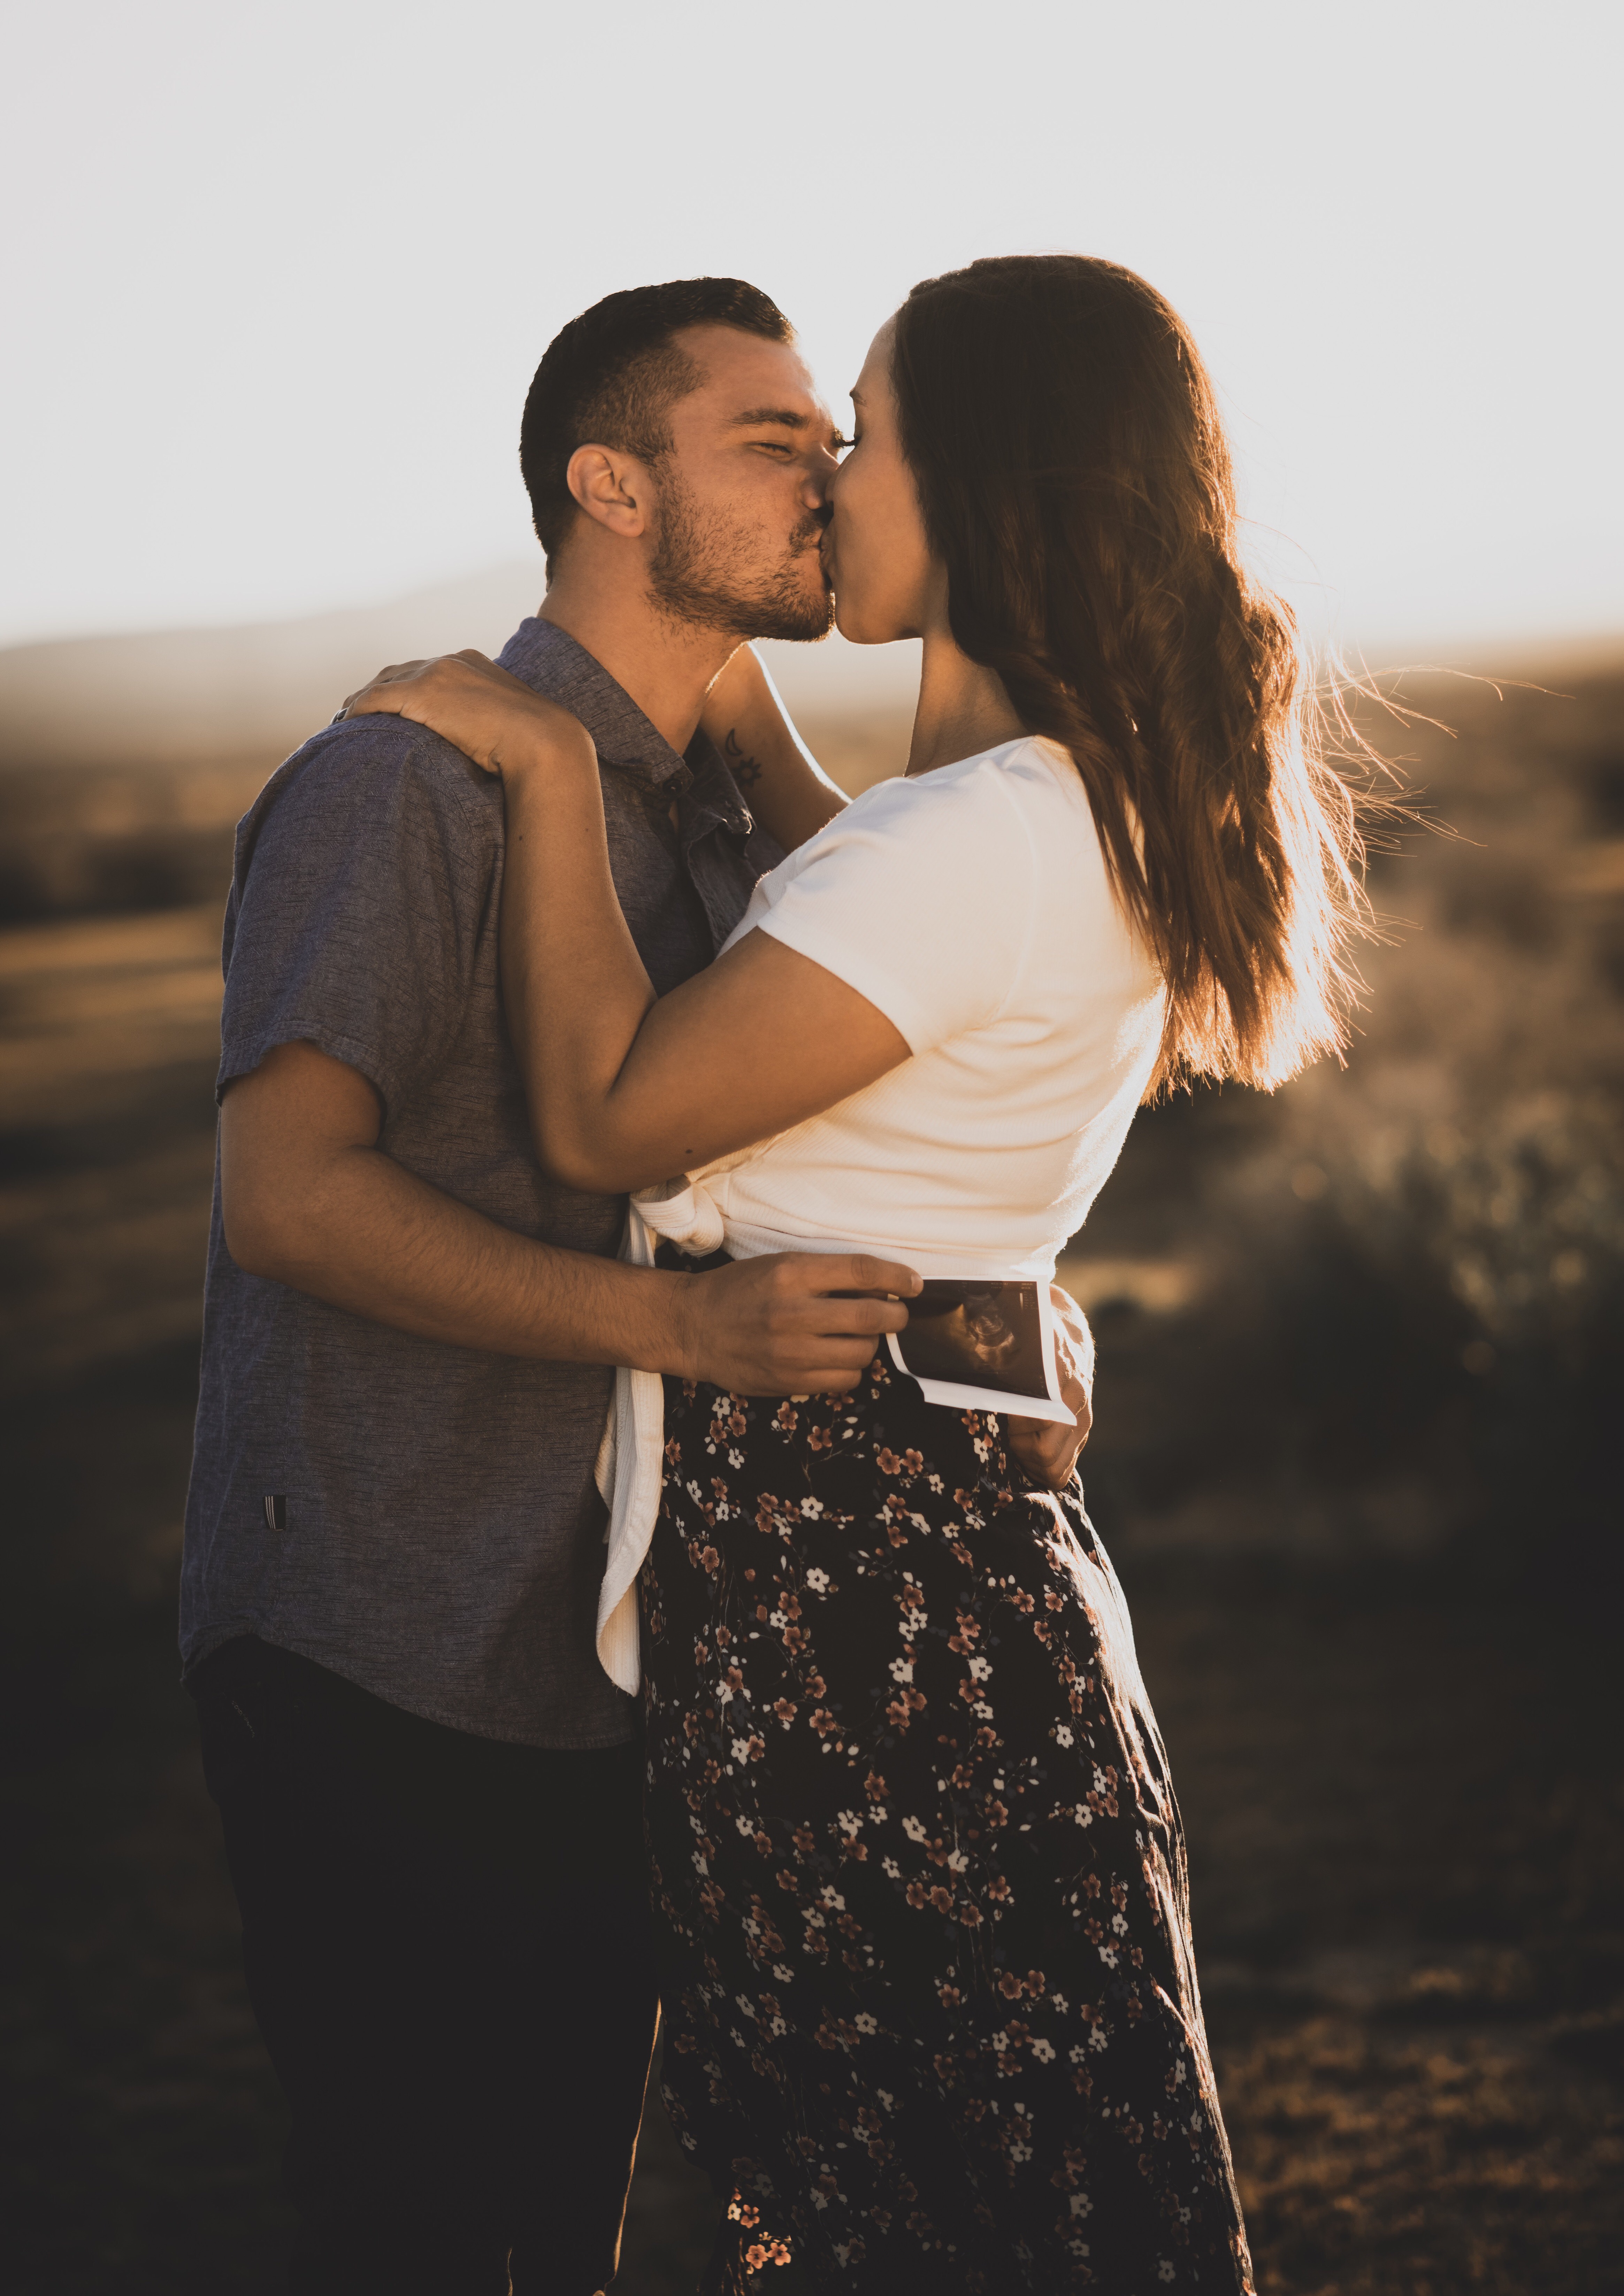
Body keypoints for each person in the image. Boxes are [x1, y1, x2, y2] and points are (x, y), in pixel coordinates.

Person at [345, 253, 1368, 2293]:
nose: (826, 477)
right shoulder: (1038, 802)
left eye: (866, 436)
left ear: (976, 480)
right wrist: (723, 683)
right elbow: (865, 932)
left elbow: (611, 1119)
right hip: (941, 1574)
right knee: (1012, 2189)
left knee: (923, 2204)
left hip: (863, 1599)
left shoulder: (973, 841)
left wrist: (546, 770)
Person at [180, 275, 1091, 2296]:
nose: (826, 476)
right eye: (770, 442)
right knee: (426, 2244)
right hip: (386, 1629)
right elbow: (287, 1205)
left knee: (556, 2236)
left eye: (836, 441)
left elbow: (873, 1122)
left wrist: (1013, 1310)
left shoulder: (730, 819)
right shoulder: (405, 785)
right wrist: (679, 1333)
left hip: (623, 1651)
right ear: (609, 486)